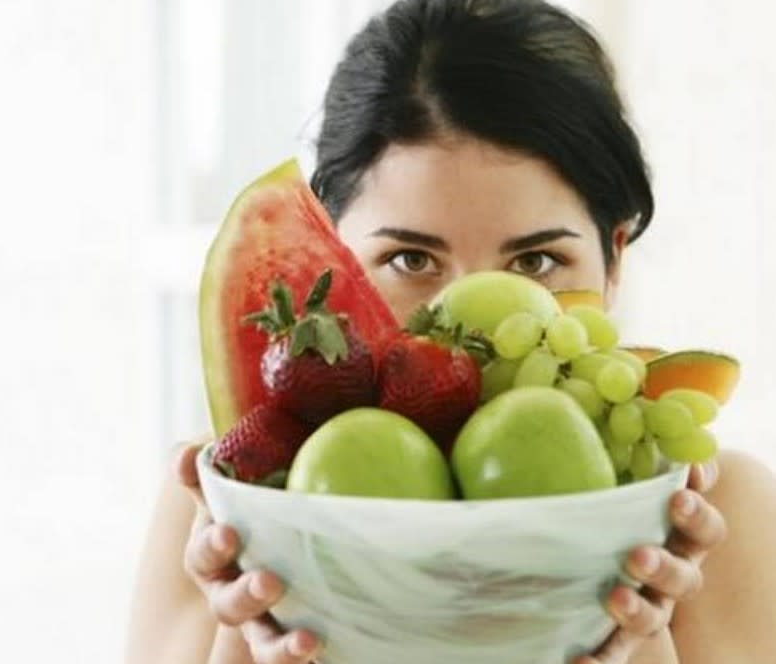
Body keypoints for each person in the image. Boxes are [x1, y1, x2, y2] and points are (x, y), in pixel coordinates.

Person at [126, 1, 776, 663]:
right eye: (410, 260)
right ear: (332, 259)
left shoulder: (727, 519)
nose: (471, 319)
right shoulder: (219, 504)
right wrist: (263, 604)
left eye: (536, 261)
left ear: (613, 263)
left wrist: (639, 641)